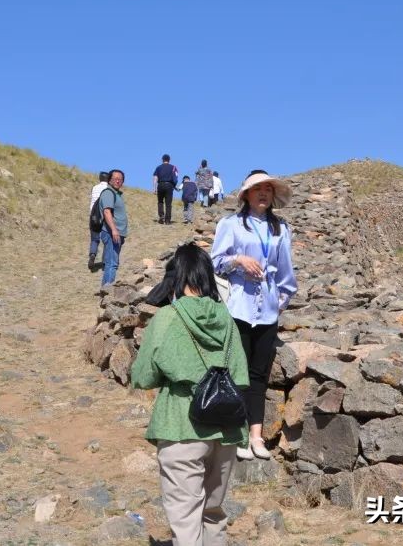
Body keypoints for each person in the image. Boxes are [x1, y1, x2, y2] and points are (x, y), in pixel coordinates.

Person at [131, 244, 249, 546]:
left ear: (177, 276)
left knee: (185, 519)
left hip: (181, 426)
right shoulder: (228, 320)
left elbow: (143, 377)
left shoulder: (168, 318)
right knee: (213, 513)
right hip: (227, 430)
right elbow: (240, 376)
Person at [210, 170, 297, 460]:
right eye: (257, 188)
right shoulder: (231, 225)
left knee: (259, 374)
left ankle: (256, 436)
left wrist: (279, 302)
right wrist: (238, 260)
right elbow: (216, 262)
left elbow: (286, 273)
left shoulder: (280, 229)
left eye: (268, 189)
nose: (263, 193)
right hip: (239, 308)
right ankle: (237, 433)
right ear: (246, 194)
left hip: (268, 312)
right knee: (237, 372)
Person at [98, 169, 127, 286]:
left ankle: (106, 290)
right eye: (115, 178)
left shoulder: (115, 194)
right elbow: (106, 212)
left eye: (120, 179)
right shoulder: (108, 193)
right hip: (111, 233)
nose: (117, 181)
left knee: (112, 262)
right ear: (109, 180)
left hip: (116, 234)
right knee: (112, 263)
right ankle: (107, 292)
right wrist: (114, 230)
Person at [88, 171, 110, 271]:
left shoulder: (94, 188)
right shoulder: (109, 189)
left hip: (93, 216)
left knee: (94, 239)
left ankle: (92, 255)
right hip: (105, 217)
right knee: (106, 240)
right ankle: (104, 262)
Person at [153, 154, 179, 224]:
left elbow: (155, 178)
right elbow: (176, 178)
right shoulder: (173, 167)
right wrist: (174, 185)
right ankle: (167, 220)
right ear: (169, 160)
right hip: (169, 185)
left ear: (162, 160)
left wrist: (154, 188)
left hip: (160, 185)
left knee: (160, 201)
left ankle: (161, 216)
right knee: (168, 203)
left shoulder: (158, 168)